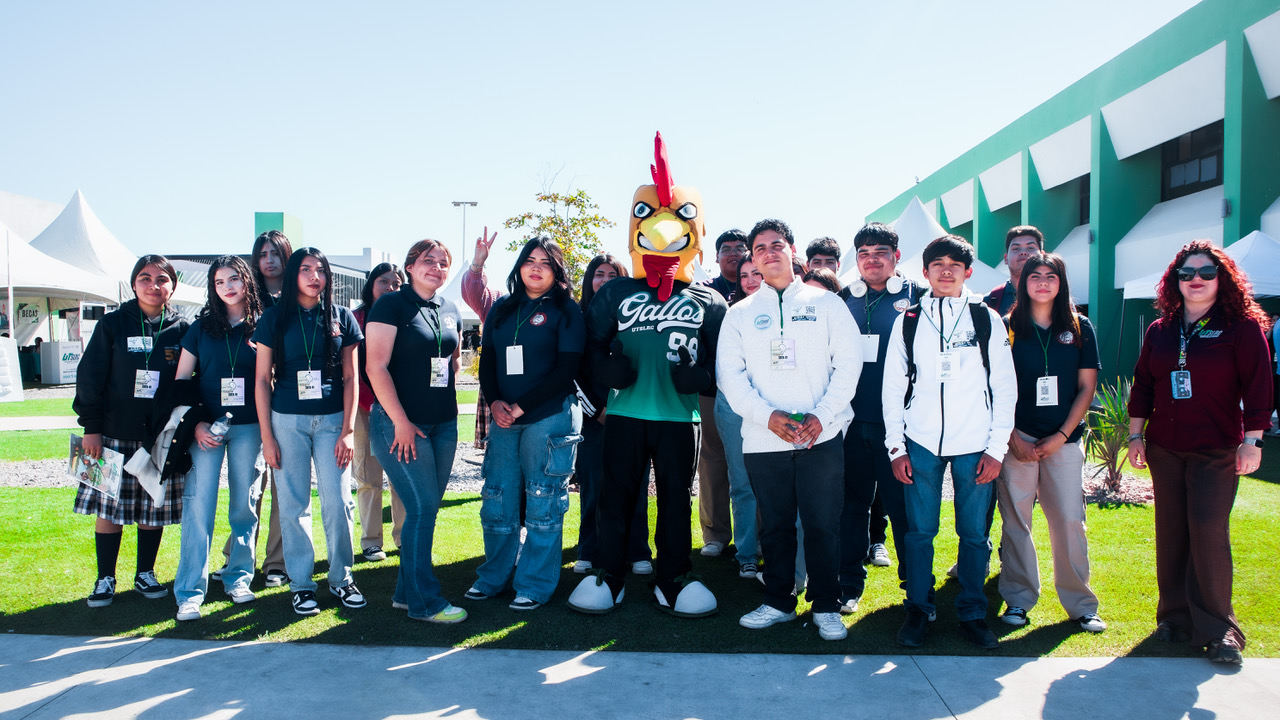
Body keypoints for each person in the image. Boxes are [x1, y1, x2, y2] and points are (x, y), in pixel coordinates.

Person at [1127, 239, 1272, 666]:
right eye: (1186, 273)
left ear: (1221, 278)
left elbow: (1260, 386)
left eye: (1206, 273)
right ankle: (1173, 618)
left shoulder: (1241, 327)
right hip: (1165, 447)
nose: (1195, 280)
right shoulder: (1161, 329)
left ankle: (1218, 629)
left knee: (1208, 531)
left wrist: (1254, 440)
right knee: (1171, 530)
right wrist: (1136, 437)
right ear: (1175, 280)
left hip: (1217, 447)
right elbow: (1143, 386)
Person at [719, 219, 862, 641]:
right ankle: (779, 601)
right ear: (753, 257)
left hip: (823, 434)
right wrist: (768, 417)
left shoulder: (826, 304)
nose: (769, 253)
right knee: (776, 526)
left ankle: (826, 605)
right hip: (765, 438)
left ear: (792, 250)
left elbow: (848, 365)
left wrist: (823, 415)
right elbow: (731, 377)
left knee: (822, 524)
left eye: (776, 245)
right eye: (760, 248)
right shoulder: (741, 314)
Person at [883, 235, 1017, 650]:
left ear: (967, 272)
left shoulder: (987, 319)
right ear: (925, 272)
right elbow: (892, 387)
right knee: (920, 533)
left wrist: (997, 449)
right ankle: (919, 610)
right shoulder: (908, 319)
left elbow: (1004, 387)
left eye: (954, 265)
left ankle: (973, 613)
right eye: (937, 264)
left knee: (974, 534)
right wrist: (896, 446)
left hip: (976, 442)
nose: (945, 270)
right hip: (919, 441)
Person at [468, 237, 584, 611]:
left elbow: (567, 370)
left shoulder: (567, 310)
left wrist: (519, 406)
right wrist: (498, 401)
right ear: (519, 266)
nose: (536, 268)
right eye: (529, 260)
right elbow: (488, 363)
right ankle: (494, 577)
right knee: (497, 498)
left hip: (548, 417)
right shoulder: (502, 308)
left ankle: (534, 584)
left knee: (542, 499)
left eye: (546, 263)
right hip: (505, 418)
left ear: (557, 270)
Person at [996, 252, 1105, 633]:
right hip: (1017, 440)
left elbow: (1086, 387)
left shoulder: (1079, 327)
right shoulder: (1006, 327)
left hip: (1064, 440)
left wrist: (1061, 437)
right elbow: (995, 389)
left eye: (1051, 276)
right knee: (1016, 524)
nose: (1043, 283)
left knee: (1069, 522)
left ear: (1061, 283)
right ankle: (1018, 600)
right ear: (1022, 283)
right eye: (1035, 276)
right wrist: (1012, 439)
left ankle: (1081, 605)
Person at [253, 247, 366, 616]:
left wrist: (348, 430)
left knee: (338, 501)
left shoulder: (342, 317)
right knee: (293, 505)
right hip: (287, 422)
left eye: (321, 270)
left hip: (333, 421)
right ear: (293, 275)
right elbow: (260, 379)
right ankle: (301, 585)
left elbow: (352, 377)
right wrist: (267, 437)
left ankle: (342, 578)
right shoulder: (273, 318)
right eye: (305, 269)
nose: (314, 276)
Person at [74, 255, 190, 607]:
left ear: (172, 285)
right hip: (109, 433)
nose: (154, 285)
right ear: (133, 283)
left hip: (159, 437)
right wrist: (90, 429)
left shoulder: (182, 329)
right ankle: (105, 578)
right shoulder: (112, 324)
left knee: (151, 508)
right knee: (108, 508)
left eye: (162, 279)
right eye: (145, 278)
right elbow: (90, 379)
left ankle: (145, 573)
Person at [365, 239, 467, 623]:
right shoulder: (391, 305)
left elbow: (451, 361)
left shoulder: (449, 308)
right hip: (401, 426)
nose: (437, 268)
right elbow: (376, 367)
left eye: (443, 263)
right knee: (422, 509)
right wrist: (402, 423)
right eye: (428, 261)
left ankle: (406, 593)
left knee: (426, 510)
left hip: (444, 424)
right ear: (409, 267)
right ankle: (426, 603)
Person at [173, 255, 264, 620]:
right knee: (199, 508)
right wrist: (195, 425)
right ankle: (190, 590)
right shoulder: (199, 329)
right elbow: (181, 382)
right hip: (206, 429)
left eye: (234, 279)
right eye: (219, 281)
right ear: (213, 288)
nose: (227, 287)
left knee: (244, 504)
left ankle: (238, 576)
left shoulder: (263, 325)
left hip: (249, 427)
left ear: (246, 282)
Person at [837, 222, 922, 616]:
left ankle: (915, 590)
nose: (872, 260)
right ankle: (849, 586)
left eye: (881, 252)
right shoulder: (844, 300)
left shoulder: (919, 299)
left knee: (903, 511)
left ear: (896, 257)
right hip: (851, 426)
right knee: (851, 509)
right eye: (865, 254)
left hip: (899, 429)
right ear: (857, 260)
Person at [212, 230, 294, 587]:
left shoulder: (296, 297)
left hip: (287, 400)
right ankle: (237, 557)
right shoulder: (246, 297)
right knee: (250, 484)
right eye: (262, 254)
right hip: (249, 402)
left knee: (283, 483)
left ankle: (277, 561)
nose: (269, 260)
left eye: (276, 253)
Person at [573, 253, 654, 577]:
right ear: (589, 280)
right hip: (595, 420)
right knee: (593, 487)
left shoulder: (637, 317)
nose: (605, 280)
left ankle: (637, 551)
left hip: (633, 414)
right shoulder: (577, 319)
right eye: (599, 274)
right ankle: (588, 550)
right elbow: (572, 372)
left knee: (635, 484)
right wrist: (598, 410)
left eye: (613, 275)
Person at [696, 229, 748, 560]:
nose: (732, 254)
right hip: (711, 390)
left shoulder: (759, 288)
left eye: (739, 249)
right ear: (715, 258)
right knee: (712, 462)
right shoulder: (705, 293)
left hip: (753, 395)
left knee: (751, 466)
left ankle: (754, 535)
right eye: (725, 249)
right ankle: (715, 534)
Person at [353, 262, 407, 562]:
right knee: (368, 477)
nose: (390, 287)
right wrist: (371, 399)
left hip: (398, 408)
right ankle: (371, 540)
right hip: (363, 408)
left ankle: (402, 536)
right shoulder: (355, 318)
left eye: (396, 283)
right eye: (383, 281)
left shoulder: (406, 315)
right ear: (371, 284)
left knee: (400, 476)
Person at [985, 226, 1043, 316]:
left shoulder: (1057, 298)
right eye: (1016, 248)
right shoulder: (990, 301)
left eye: (1030, 248)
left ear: (1043, 256)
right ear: (1006, 258)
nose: (1023, 252)